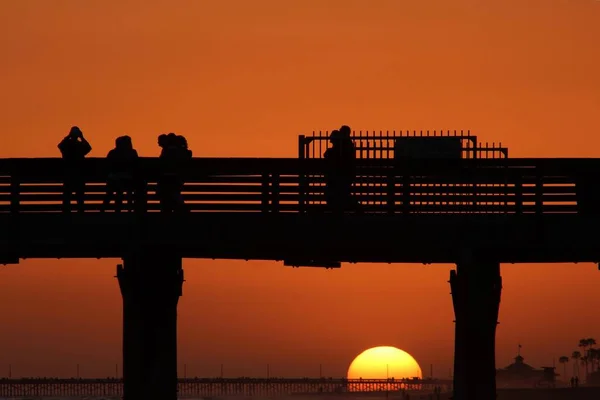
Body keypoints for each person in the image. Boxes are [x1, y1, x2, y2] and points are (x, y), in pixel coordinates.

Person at [58, 126, 92, 212]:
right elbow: (88, 148)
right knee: (79, 196)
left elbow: (60, 145)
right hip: (79, 174)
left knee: (67, 195)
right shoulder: (79, 145)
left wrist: (68, 136)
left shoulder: (67, 145)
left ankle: (66, 212)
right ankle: (80, 212)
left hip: (69, 173)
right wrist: (82, 138)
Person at [323, 126, 357, 212]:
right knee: (341, 193)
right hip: (343, 174)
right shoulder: (346, 144)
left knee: (339, 192)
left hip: (341, 174)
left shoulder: (345, 145)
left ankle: (343, 208)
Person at [102, 136, 139, 212]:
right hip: (128, 178)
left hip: (115, 178)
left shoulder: (113, 152)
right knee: (126, 191)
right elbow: (136, 165)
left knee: (115, 191)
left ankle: (108, 209)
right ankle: (129, 209)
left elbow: (108, 165)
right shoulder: (132, 152)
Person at [157, 133, 192, 212]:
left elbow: (161, 164)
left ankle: (170, 211)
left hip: (168, 179)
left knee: (167, 194)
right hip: (177, 179)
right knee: (173, 193)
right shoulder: (182, 152)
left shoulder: (167, 151)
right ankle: (179, 208)